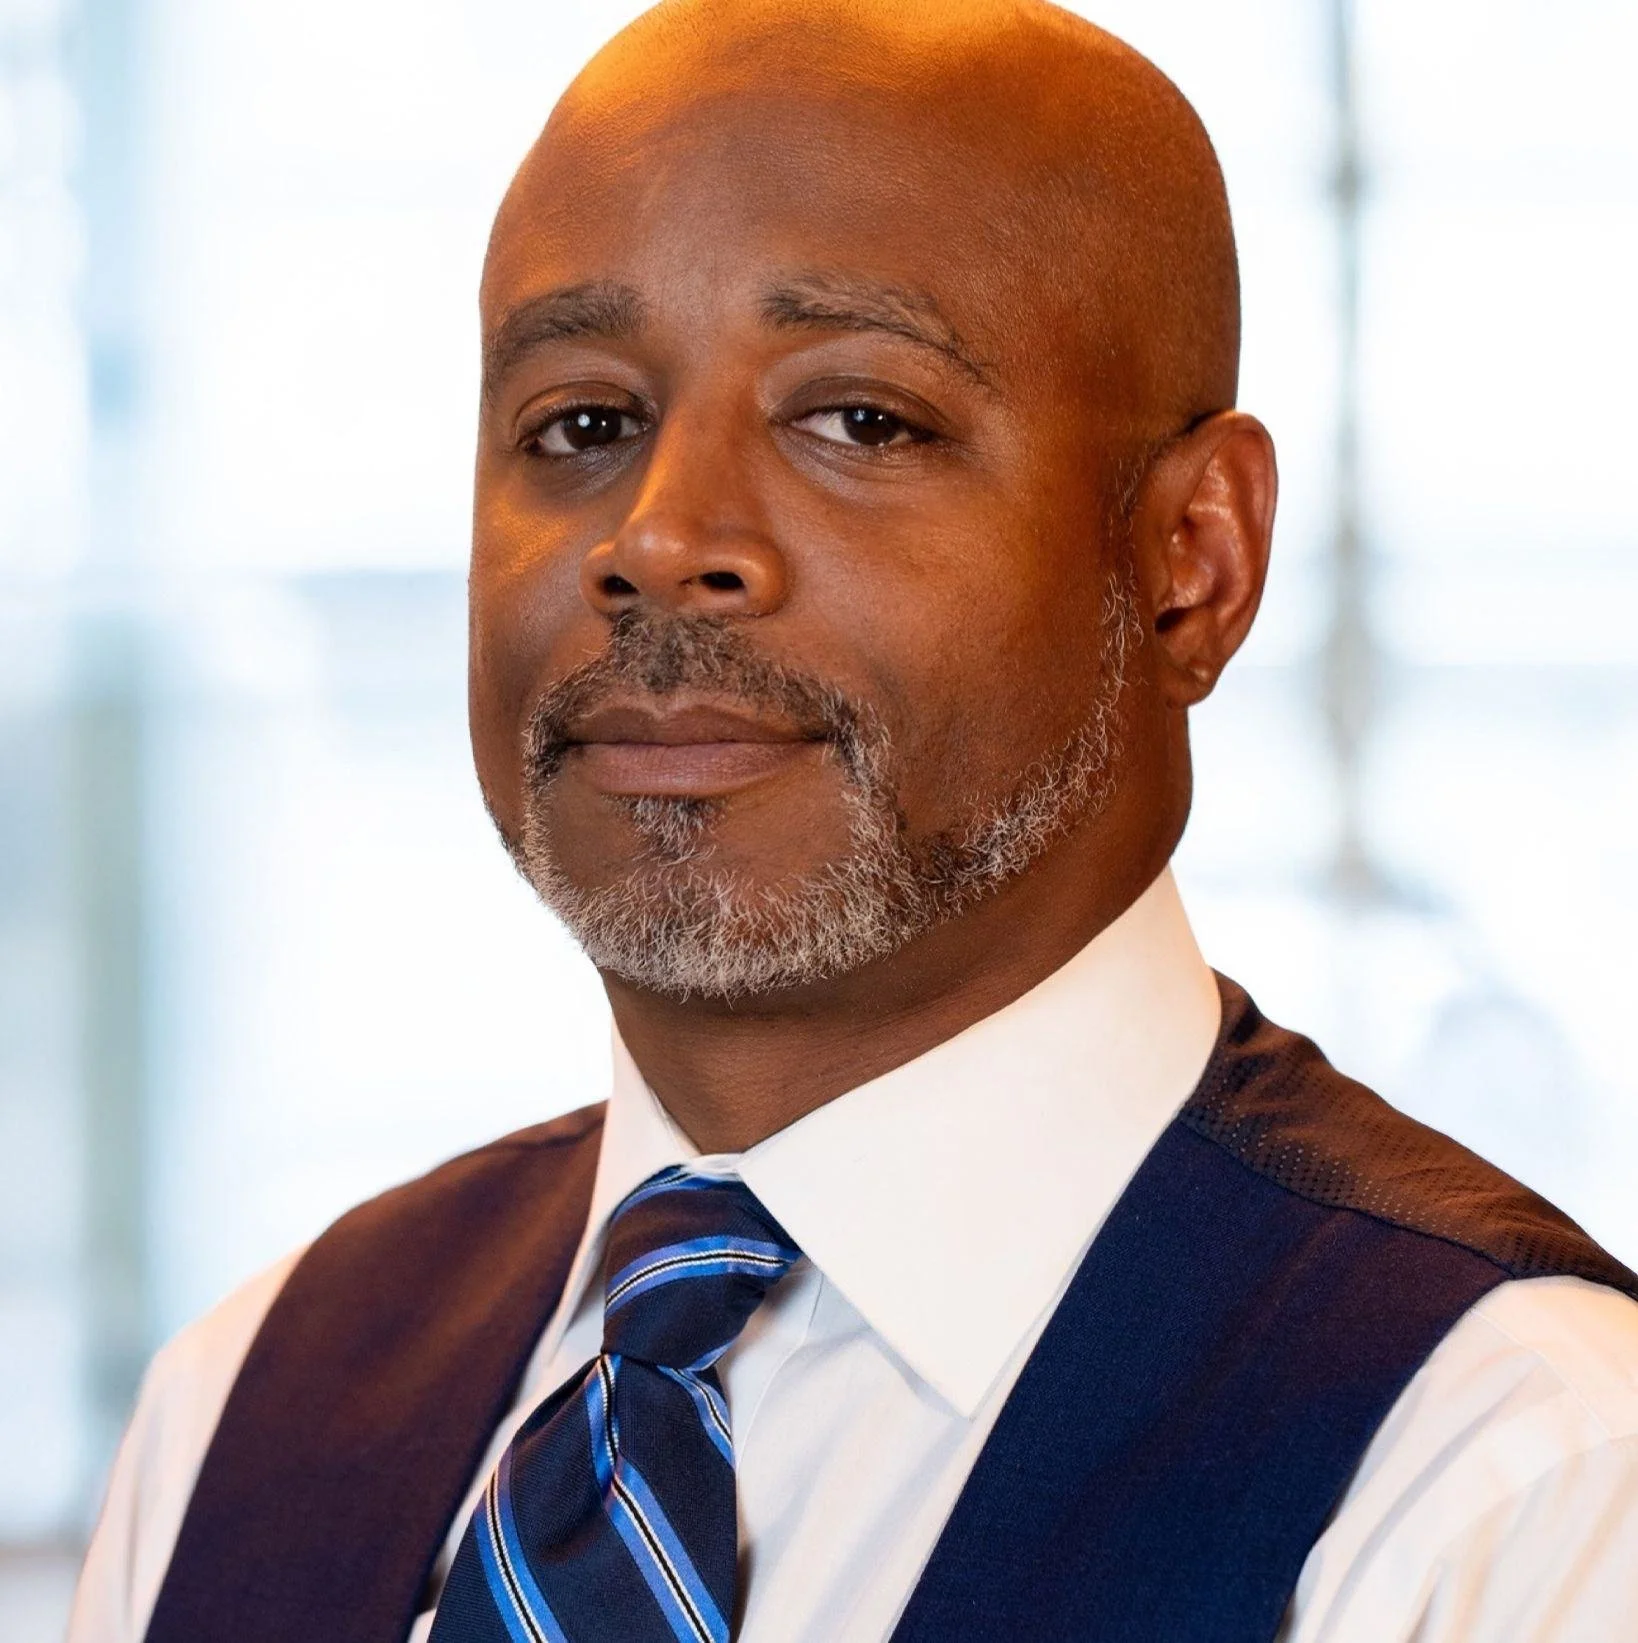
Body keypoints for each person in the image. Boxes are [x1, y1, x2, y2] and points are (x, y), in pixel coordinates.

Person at [69, 1, 1638, 1639]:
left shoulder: (1505, 1478)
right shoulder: (241, 1411)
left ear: (1191, 559)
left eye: (860, 419)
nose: (662, 539)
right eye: (581, 425)